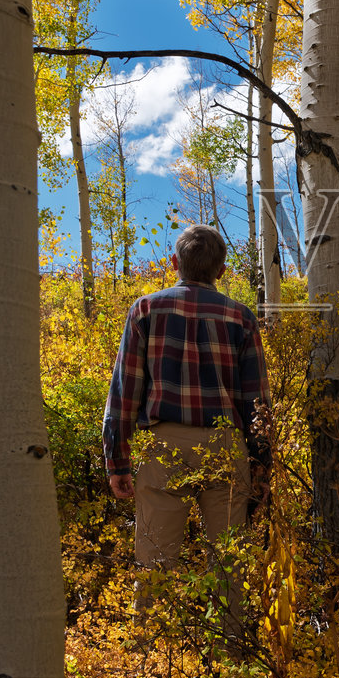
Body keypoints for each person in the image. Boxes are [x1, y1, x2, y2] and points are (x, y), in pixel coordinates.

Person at [102, 224, 271, 598]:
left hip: (163, 445)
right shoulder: (241, 318)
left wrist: (118, 461)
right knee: (230, 561)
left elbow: (124, 392)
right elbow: (257, 401)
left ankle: (153, 649)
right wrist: (261, 464)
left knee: (155, 560)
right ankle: (232, 648)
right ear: (222, 270)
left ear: (174, 262)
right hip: (226, 446)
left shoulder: (146, 309)